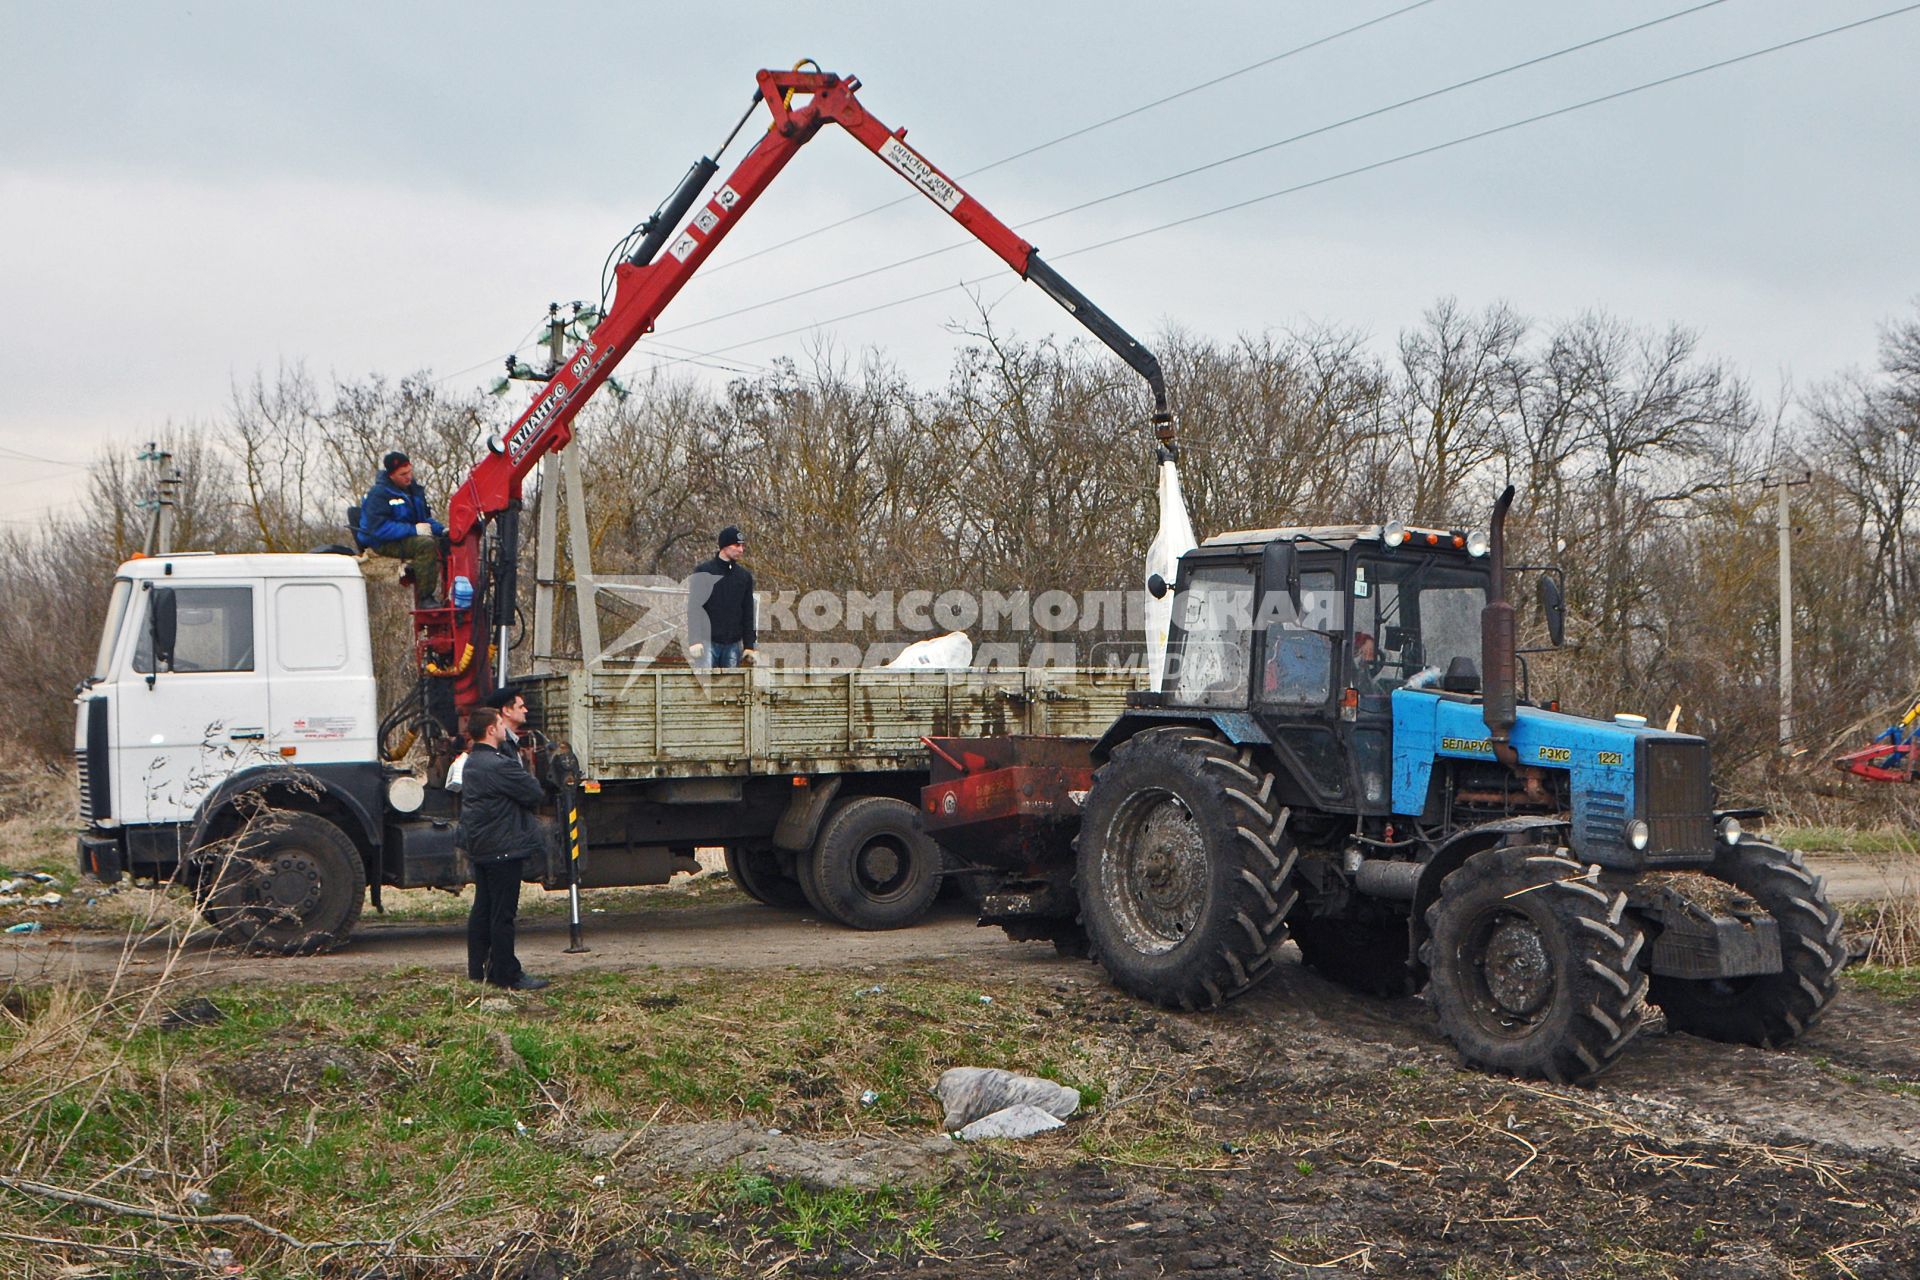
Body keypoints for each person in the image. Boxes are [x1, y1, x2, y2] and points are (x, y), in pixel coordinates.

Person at [458, 706, 549, 991]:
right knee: (503, 914)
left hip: (482, 845)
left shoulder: (473, 762)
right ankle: (508, 974)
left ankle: (479, 968)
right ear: (490, 730)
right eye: (499, 723)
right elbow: (534, 791)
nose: (503, 727)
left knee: (483, 908)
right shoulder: (500, 765)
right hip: (503, 846)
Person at [359, 451, 446, 606]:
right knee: (425, 545)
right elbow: (378, 529)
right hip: (383, 542)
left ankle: (450, 593)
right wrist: (414, 530)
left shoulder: (413, 491)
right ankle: (425, 598)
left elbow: (424, 519)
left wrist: (442, 530)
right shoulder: (378, 495)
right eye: (403, 474)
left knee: (446, 542)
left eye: (410, 471)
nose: (408, 477)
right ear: (391, 475)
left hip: (405, 536)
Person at [685, 524, 757, 669]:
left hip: (733, 644)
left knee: (730, 688)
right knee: (706, 688)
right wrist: (695, 640)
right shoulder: (704, 571)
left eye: (742, 546)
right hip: (706, 642)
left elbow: (748, 612)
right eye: (736, 545)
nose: (741, 550)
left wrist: (749, 645)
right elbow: (695, 608)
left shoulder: (744, 577)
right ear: (724, 546)